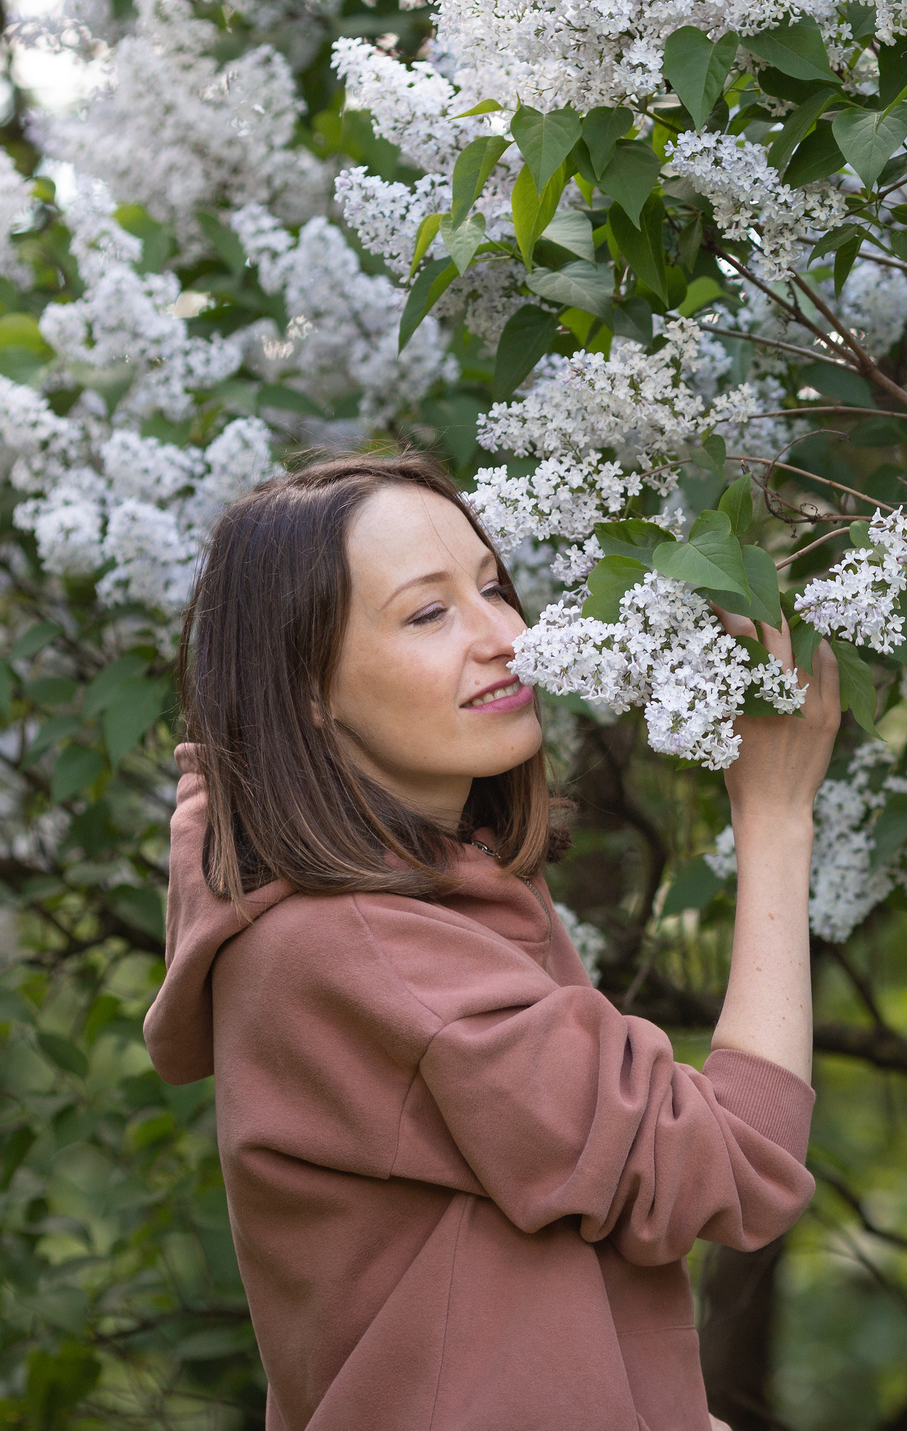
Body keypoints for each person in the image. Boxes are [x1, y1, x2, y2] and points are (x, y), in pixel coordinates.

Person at [142, 450, 837, 1431]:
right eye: (428, 614)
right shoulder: (371, 952)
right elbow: (731, 1165)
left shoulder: (417, 895)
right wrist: (773, 816)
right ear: (304, 689)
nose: (505, 638)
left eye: (495, 588)